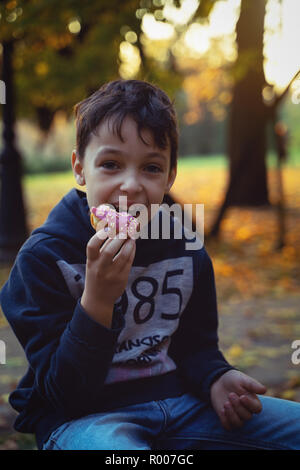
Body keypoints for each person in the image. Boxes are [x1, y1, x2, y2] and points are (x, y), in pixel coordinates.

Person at [1, 79, 300, 451]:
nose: (131, 185)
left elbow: (196, 345)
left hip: (182, 405)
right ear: (80, 168)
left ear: (170, 176)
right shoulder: (43, 260)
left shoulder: (184, 247)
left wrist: (216, 377)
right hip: (86, 420)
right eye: (110, 164)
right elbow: (64, 395)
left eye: (151, 168)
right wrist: (97, 300)